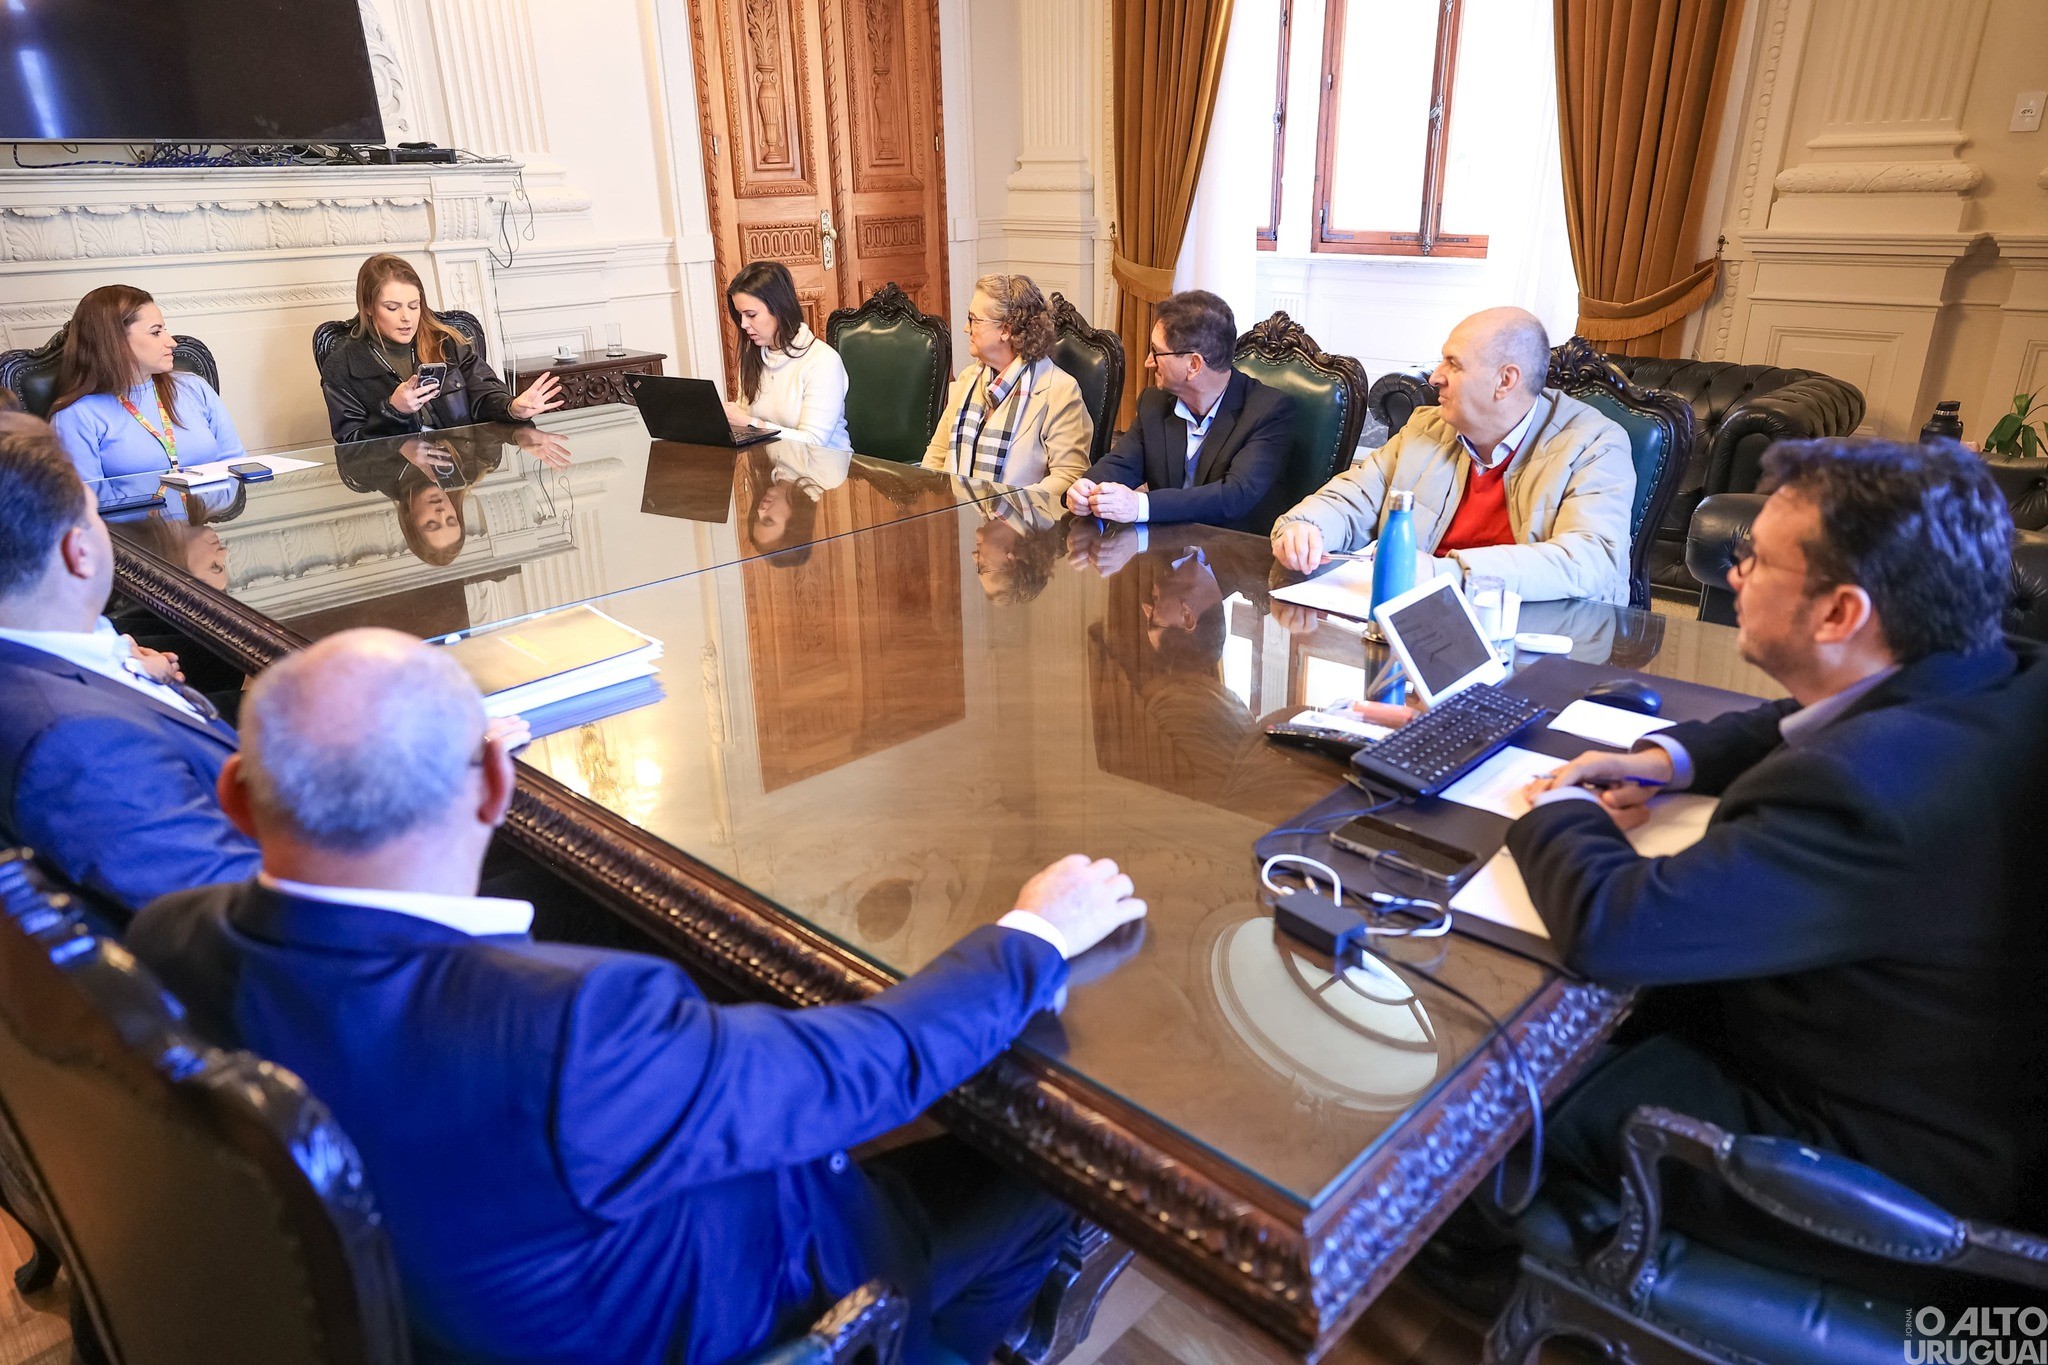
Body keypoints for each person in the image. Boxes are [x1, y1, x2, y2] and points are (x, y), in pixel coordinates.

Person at [130, 627, 1147, 1365]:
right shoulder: (571, 1027)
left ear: (235, 796)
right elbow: (856, 1072)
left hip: (459, 1297)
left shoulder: (167, 937)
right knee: (1036, 1175)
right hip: (750, 1307)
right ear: (494, 783)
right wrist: (1033, 933)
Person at [1509, 438, 2048, 1285]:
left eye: (1751, 557)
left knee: (1507, 1101)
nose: (1732, 575)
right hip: (1949, 1073)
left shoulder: (1862, 790)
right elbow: (1810, 719)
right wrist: (1669, 761)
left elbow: (1613, 928)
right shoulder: (2003, 671)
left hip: (1875, 1161)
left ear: (1840, 615)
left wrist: (1555, 803)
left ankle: (1476, 1268)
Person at [0, 412, 257, 923]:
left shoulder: (50, 658)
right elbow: (248, 917)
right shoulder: (79, 746)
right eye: (95, 515)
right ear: (79, 553)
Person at [1271, 307, 1635, 605]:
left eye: (1453, 364)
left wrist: (1444, 573)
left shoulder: (1595, 445)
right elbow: (1352, 498)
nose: (1435, 378)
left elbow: (1588, 558)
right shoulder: (1426, 429)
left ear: (1505, 381)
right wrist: (1307, 527)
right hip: (1426, 622)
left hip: (1541, 638)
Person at [1065, 290, 1295, 534]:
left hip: (1234, 560)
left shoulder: (1269, 411)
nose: (1148, 362)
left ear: (1193, 365)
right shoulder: (1154, 402)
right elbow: (1122, 463)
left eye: (1156, 352)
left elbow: (1234, 496)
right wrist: (1086, 487)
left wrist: (1139, 505)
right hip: (1163, 557)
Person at [320, 253, 564, 444]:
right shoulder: (343, 366)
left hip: (461, 464)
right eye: (392, 308)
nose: (407, 318)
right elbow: (351, 447)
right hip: (400, 479)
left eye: (414, 306)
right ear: (368, 307)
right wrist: (394, 410)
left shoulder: (446, 343)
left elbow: (485, 396)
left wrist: (512, 407)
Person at [47, 284, 248, 480]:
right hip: (135, 516)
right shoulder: (76, 415)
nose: (171, 342)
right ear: (115, 341)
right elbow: (86, 504)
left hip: (209, 513)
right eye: (156, 332)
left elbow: (235, 464)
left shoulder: (194, 387)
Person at [923, 274, 1093, 498]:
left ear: (1006, 330)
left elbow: (1070, 476)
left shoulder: (1059, 390)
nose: (966, 328)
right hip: (958, 522)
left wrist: (1010, 508)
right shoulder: (967, 380)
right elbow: (936, 455)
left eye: (974, 319)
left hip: (1026, 528)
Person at [722, 261, 852, 450]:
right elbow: (743, 418)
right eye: (740, 315)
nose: (743, 324)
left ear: (779, 309)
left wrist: (753, 424)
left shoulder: (822, 361)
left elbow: (815, 442)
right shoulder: (754, 357)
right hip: (775, 470)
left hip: (825, 472)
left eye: (751, 315)